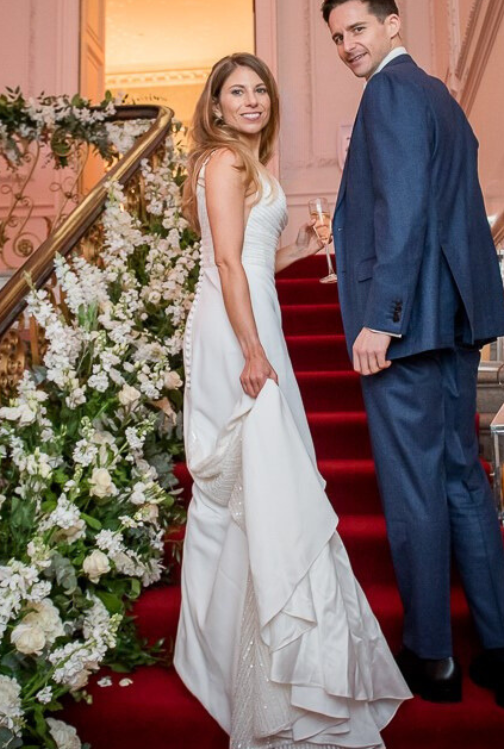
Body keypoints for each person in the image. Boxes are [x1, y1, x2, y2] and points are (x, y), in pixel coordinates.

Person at [173, 53, 411, 748]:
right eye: (236, 92)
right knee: (262, 478)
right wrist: (251, 350)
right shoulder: (220, 162)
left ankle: (268, 651)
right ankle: (247, 656)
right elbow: (222, 264)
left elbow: (253, 258)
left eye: (259, 91)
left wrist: (302, 244)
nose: (251, 101)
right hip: (231, 329)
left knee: (270, 484)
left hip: (255, 316)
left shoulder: (254, 166)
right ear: (214, 107)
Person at [321, 0, 504, 710]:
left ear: (392, 23)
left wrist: (383, 317)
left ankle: (432, 657)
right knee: (463, 482)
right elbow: (444, 210)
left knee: (414, 493)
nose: (349, 46)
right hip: (454, 324)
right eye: (338, 38)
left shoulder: (389, 94)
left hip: (407, 334)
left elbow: (403, 209)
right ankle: (503, 655)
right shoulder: (439, 96)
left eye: (357, 30)